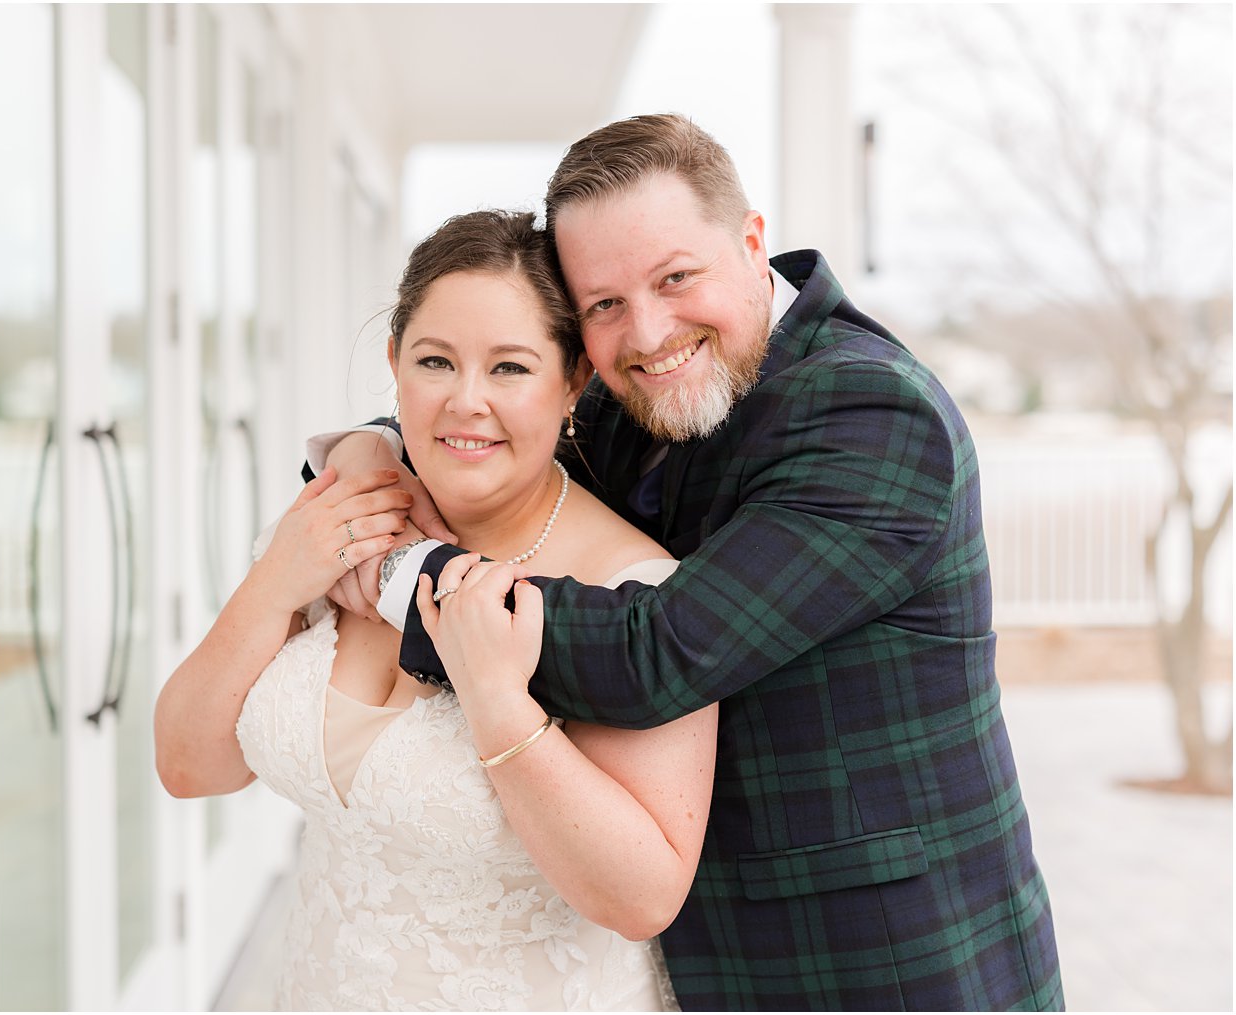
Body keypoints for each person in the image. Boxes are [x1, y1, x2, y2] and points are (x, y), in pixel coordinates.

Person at [318, 114, 1064, 1011]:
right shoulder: (647, 383)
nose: (649, 330)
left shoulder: (875, 416)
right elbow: (490, 419)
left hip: (891, 966)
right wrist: (371, 445)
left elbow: (657, 649)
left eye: (676, 278)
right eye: (605, 305)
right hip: (707, 964)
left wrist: (404, 576)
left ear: (753, 243)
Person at [155, 209, 719, 1011]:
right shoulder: (335, 520)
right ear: (393, 364)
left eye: (510, 368)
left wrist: (497, 704)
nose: (465, 401)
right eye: (435, 360)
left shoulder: (631, 593)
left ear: (574, 384)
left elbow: (641, 899)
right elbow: (189, 766)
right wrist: (277, 578)